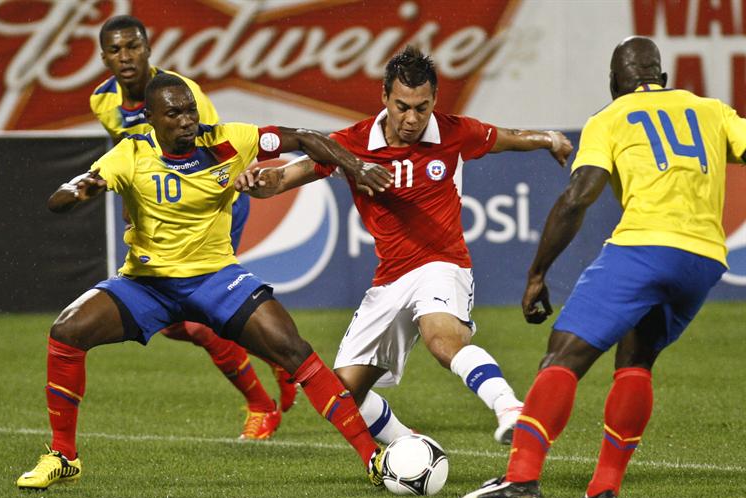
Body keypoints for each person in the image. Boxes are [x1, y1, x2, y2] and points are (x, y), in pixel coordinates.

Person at [16, 72, 394, 490]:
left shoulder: (227, 140)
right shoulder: (132, 152)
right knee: (67, 331)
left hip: (216, 278)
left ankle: (373, 457)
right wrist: (80, 188)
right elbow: (64, 196)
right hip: (147, 284)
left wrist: (355, 165)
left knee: (293, 348)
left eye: (190, 110)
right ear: (152, 119)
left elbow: (303, 137)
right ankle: (63, 456)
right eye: (173, 113)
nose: (186, 121)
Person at [450, 36, 746, 498]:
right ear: (663, 78)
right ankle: (601, 494)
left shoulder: (610, 117)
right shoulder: (710, 109)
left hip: (644, 247)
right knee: (636, 359)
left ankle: (520, 479)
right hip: (704, 260)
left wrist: (536, 275)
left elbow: (577, 197)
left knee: (563, 354)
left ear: (615, 85)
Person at [235, 46, 573, 450]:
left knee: (442, 339)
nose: (412, 119)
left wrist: (548, 139)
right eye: (402, 107)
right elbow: (286, 178)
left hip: (442, 265)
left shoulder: (453, 132)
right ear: (384, 98)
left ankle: (510, 408)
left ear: (433, 102)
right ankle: (411, 447)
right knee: (341, 395)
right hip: (389, 279)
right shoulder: (352, 143)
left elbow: (508, 138)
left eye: (422, 107)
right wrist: (260, 182)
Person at [91, 14, 296, 440]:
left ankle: (261, 404)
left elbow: (214, 148)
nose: (125, 57)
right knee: (178, 324)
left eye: (133, 46)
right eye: (115, 49)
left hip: (210, 207)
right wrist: (135, 202)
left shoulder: (184, 93)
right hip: (162, 214)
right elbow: (128, 151)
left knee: (197, 318)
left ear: (149, 48)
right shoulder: (102, 101)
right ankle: (273, 356)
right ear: (103, 56)